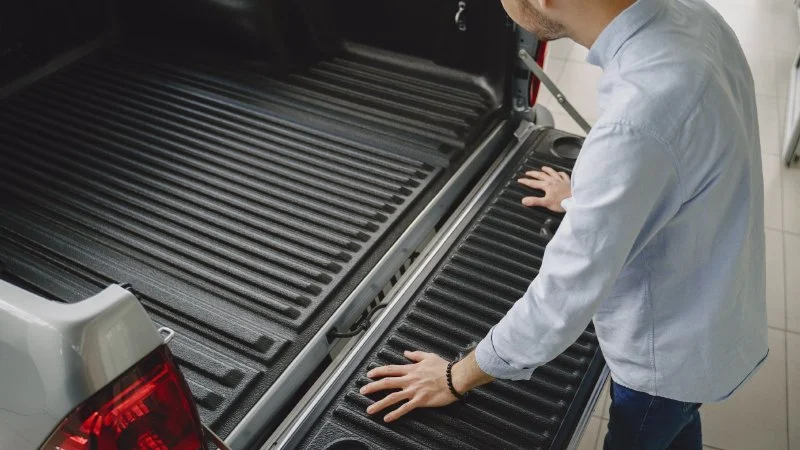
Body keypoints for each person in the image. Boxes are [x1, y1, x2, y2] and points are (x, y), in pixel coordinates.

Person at [360, 0, 769, 448]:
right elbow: (677, 158)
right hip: (712, 307)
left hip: (663, 363)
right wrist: (589, 197)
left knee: (651, 429)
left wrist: (455, 377)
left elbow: (559, 305)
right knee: (680, 425)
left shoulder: (636, 120)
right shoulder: (692, 14)